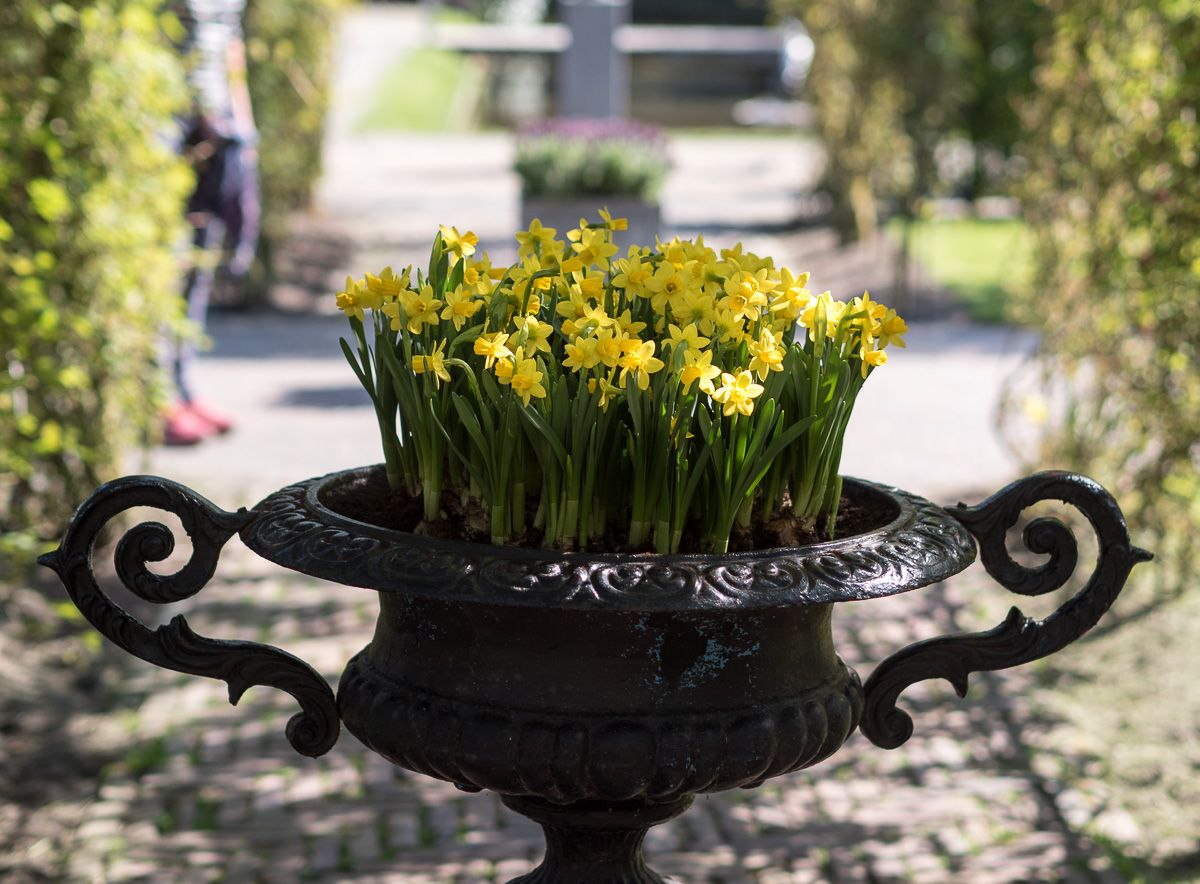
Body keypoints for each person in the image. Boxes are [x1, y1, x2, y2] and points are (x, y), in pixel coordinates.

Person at [163, 0, 260, 445]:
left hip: (217, 126)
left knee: (197, 264)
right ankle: (157, 397)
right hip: (165, 126)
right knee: (163, 264)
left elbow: (229, 42)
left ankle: (184, 388)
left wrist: (243, 124)